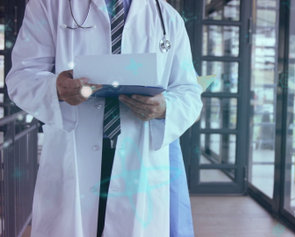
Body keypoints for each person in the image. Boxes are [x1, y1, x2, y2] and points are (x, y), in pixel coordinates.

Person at [5, 0, 202, 236]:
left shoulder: (166, 16)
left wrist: (165, 107)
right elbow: (20, 77)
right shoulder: (49, 5)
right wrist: (57, 87)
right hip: (74, 154)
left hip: (139, 159)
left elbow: (189, 91)